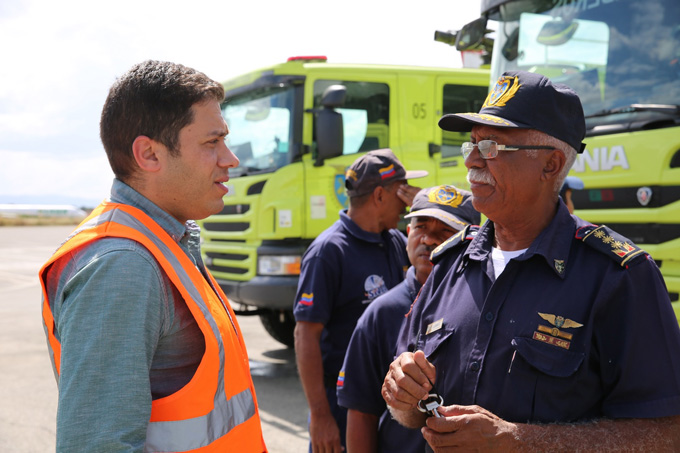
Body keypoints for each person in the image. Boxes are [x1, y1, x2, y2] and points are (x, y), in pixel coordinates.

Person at [382, 71, 680, 451]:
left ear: (551, 165)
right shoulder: (450, 264)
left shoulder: (618, 277)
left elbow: (665, 435)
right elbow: (408, 409)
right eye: (471, 145)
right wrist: (401, 397)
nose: (472, 161)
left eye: (491, 146)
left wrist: (519, 441)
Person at [39, 60, 267, 452]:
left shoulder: (165, 240)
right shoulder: (123, 265)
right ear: (149, 154)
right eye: (212, 143)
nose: (231, 159)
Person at [294, 148, 427, 453]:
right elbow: (305, 336)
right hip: (341, 403)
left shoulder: (395, 240)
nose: (407, 202)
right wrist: (320, 415)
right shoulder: (329, 251)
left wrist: (426, 204)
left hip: (389, 400)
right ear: (380, 196)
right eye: (402, 191)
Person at [337, 185, 480, 453]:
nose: (428, 240)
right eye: (421, 227)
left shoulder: (484, 307)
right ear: (408, 232)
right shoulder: (381, 313)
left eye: (445, 232)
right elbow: (360, 411)